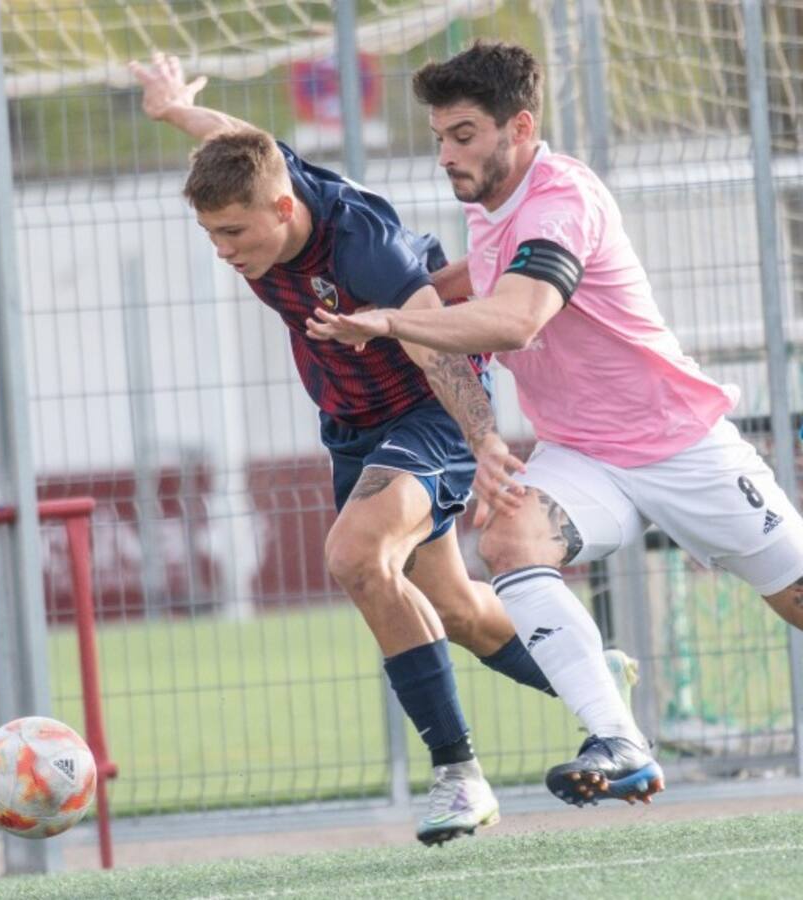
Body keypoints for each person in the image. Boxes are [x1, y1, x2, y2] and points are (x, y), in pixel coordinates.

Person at [306, 40, 803, 807]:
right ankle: (622, 741)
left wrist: (389, 320)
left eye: (463, 134)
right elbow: (478, 275)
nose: (446, 152)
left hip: (679, 443)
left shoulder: (560, 197)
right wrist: (408, 298)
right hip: (585, 456)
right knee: (508, 540)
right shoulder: (489, 202)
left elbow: (519, 316)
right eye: (439, 136)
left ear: (521, 126)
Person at [128, 53, 567, 845]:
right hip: (354, 429)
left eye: (233, 232)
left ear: (283, 208)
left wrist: (486, 442)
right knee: (463, 611)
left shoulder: (366, 245)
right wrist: (171, 111)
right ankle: (594, 680)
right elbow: (233, 134)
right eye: (210, 234)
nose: (223, 251)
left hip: (429, 416)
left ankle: (459, 777)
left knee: (356, 555)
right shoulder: (261, 175)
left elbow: (439, 345)